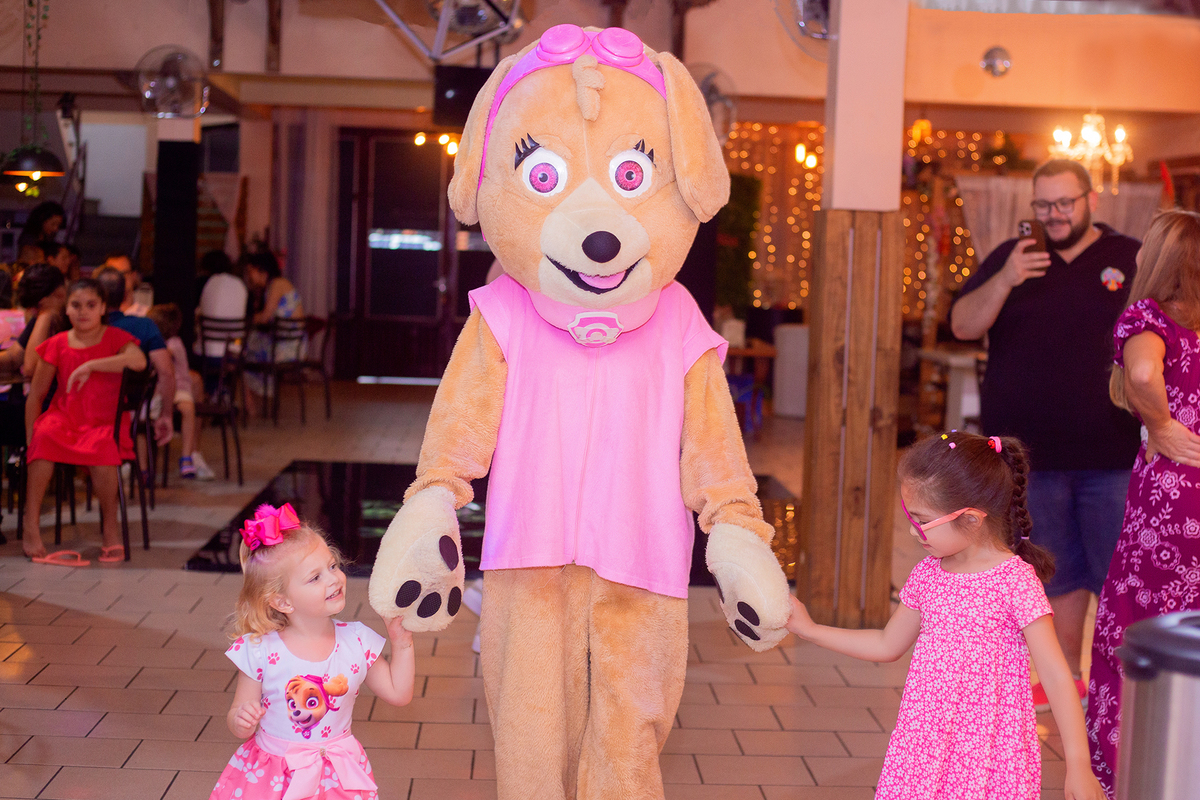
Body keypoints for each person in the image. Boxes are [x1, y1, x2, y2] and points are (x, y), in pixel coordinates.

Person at [788, 432, 1104, 800]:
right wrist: (809, 629)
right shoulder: (928, 574)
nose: (911, 529)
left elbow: (1056, 677)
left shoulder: (1015, 582)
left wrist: (1079, 765)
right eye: (909, 515)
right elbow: (887, 643)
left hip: (990, 755)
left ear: (971, 519)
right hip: (923, 748)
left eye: (921, 520)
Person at [949, 159, 1141, 706]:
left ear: (1091, 200)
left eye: (1064, 203)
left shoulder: (1127, 257)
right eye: (1043, 206)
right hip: (1030, 458)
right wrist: (1007, 279)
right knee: (1051, 577)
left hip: (1113, 454)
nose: (1054, 216)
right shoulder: (1011, 261)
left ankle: (1121, 691)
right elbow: (963, 325)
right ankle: (1063, 683)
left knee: (1117, 580)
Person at [1086, 209, 1200, 794]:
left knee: (1138, 626)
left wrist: (1160, 422)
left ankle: (1134, 766)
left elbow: (1144, 371)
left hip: (1175, 497)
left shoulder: (1148, 316)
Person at [210, 504, 415, 800]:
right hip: (274, 776)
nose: (333, 578)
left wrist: (402, 643)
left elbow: (399, 693)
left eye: (332, 566)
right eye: (315, 577)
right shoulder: (260, 650)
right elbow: (237, 716)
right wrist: (241, 719)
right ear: (282, 601)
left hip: (337, 774)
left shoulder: (356, 642)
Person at [22, 278, 147, 564]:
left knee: (102, 445)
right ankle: (31, 526)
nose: (83, 312)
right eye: (76, 305)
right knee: (43, 438)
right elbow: (36, 396)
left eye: (91, 305)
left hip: (102, 422)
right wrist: (30, 434)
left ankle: (110, 530)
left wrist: (90, 365)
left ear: (103, 307)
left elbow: (138, 361)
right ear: (66, 309)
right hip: (64, 418)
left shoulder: (116, 337)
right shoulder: (56, 344)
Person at [94, 267, 174, 446]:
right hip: (133, 409)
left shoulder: (85, 329)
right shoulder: (145, 326)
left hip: (89, 412)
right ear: (125, 295)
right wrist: (167, 415)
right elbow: (166, 372)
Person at [147, 303, 215, 480]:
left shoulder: (173, 344)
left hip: (179, 388)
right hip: (159, 390)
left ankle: (187, 457)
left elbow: (163, 358)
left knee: (187, 408)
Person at [242, 250, 304, 402]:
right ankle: (250, 403)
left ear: (261, 269)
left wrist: (246, 318)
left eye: (251, 271)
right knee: (246, 346)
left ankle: (248, 404)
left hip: (288, 347)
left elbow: (265, 317)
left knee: (241, 353)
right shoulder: (272, 287)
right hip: (284, 343)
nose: (249, 276)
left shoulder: (278, 284)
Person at [101, 252, 148, 317]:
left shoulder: (146, 314)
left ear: (133, 276)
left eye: (122, 273)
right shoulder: (98, 315)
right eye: (111, 274)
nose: (117, 279)